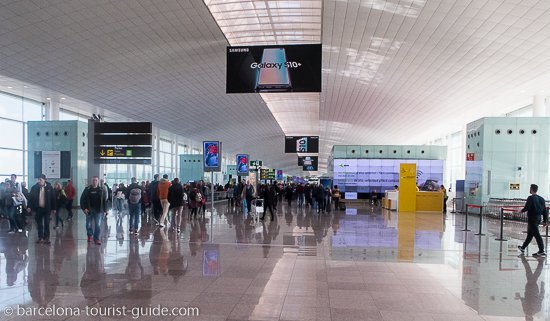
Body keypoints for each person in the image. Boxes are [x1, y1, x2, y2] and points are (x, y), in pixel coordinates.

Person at [518, 184, 548, 257]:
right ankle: (523, 247)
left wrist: (521, 211)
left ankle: (541, 250)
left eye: (530, 188)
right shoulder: (541, 199)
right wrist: (545, 220)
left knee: (537, 235)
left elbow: (527, 207)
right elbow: (544, 210)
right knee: (530, 234)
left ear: (531, 189)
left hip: (532, 218)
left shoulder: (530, 198)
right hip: (538, 218)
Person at [27, 174, 56, 245]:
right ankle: (40, 237)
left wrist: (54, 208)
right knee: (39, 224)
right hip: (38, 209)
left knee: (46, 223)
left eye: (41, 180)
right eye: (38, 179)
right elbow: (30, 198)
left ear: (45, 180)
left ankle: (46, 237)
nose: (39, 181)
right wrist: (29, 206)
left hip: (47, 209)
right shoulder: (34, 188)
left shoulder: (49, 188)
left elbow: (53, 198)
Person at [80, 176, 107, 245]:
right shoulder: (87, 189)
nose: (94, 182)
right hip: (89, 210)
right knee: (88, 225)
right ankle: (90, 235)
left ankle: (96, 239)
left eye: (96, 180)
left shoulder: (101, 190)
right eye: (93, 180)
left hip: (98, 211)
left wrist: (105, 210)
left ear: (98, 181)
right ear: (91, 181)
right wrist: (84, 208)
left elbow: (104, 201)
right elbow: (82, 199)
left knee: (98, 225)